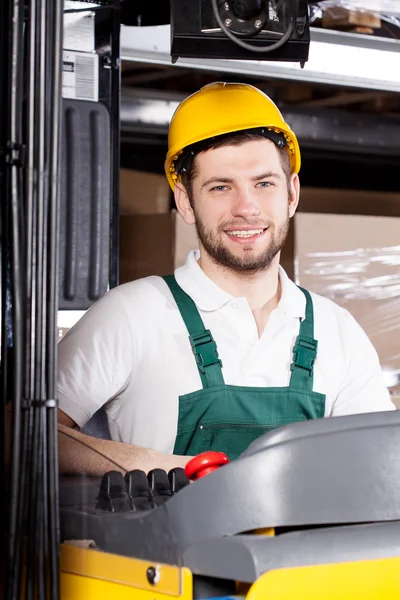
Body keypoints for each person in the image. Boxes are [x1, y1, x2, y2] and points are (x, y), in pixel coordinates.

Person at [57, 81, 395, 476]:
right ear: (185, 201)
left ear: (291, 194)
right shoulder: (132, 314)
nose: (246, 207)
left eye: (264, 184)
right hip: (164, 540)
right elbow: (23, 433)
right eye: (221, 187)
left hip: (306, 541)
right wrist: (165, 468)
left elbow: (379, 462)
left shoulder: (338, 331)